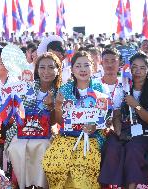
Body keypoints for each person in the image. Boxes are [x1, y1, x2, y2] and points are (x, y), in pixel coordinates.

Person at [42, 51, 108, 189]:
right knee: (54, 161)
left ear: (93, 68)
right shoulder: (65, 89)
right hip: (68, 135)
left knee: (82, 163)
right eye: (78, 66)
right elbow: (61, 122)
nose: (82, 69)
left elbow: (105, 118)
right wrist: (58, 107)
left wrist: (94, 127)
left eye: (86, 65)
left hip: (92, 137)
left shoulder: (100, 87)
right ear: (72, 70)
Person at [99, 52, 148, 189]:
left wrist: (136, 105)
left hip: (147, 132)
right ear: (129, 69)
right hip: (126, 129)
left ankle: (131, 186)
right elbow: (117, 114)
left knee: (133, 147)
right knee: (111, 145)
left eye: (142, 68)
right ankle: (107, 185)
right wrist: (119, 133)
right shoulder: (123, 88)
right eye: (134, 67)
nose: (138, 71)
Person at [6, 52, 62, 189]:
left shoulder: (61, 91)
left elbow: (55, 122)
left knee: (43, 146)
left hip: (47, 132)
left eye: (51, 67)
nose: (46, 72)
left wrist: (51, 107)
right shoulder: (27, 87)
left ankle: (40, 185)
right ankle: (24, 185)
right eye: (42, 67)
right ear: (36, 70)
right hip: (24, 130)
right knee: (16, 147)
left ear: (58, 70)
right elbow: (18, 113)